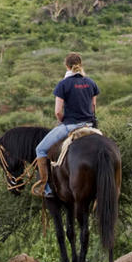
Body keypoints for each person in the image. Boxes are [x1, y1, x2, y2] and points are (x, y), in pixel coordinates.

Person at [31, 52, 100, 198]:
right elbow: (93, 106)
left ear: (66, 66)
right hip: (89, 125)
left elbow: (57, 112)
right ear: (80, 65)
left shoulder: (63, 84)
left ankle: (45, 188)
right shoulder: (91, 83)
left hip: (70, 125)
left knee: (41, 150)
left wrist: (64, 121)